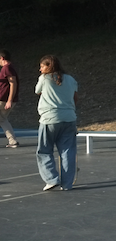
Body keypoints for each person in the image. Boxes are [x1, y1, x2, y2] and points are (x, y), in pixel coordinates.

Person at [35, 55, 78, 191]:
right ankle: (67, 184)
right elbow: (75, 97)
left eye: (42, 66)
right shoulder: (71, 79)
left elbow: (37, 92)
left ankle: (51, 178)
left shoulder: (44, 79)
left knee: (44, 150)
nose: (40, 69)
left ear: (49, 66)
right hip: (69, 118)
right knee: (68, 152)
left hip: (49, 119)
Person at [0, 50, 20, 147]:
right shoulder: (9, 68)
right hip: (4, 98)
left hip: (3, 99)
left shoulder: (6, 68)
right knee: (2, 119)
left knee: (2, 119)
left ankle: (13, 141)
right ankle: (12, 141)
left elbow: (13, 83)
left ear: (2, 58)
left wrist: (9, 100)